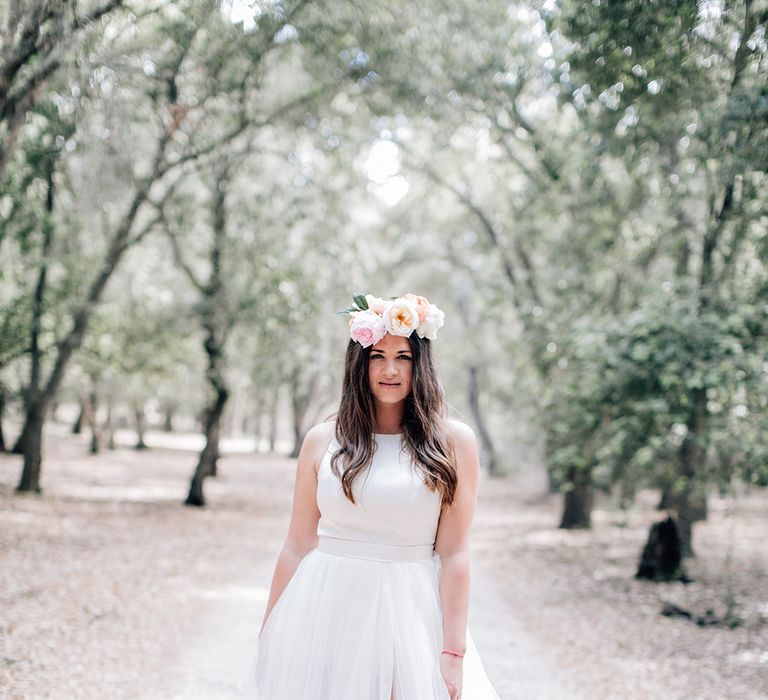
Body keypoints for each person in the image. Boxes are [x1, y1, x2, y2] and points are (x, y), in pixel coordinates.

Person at [251, 292, 501, 700]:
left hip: (410, 610)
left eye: (403, 356)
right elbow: (297, 545)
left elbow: (455, 552)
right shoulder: (321, 442)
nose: (389, 369)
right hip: (326, 606)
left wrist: (453, 651)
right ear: (358, 364)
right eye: (376, 356)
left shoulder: (454, 442)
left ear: (420, 365)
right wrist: (269, 633)